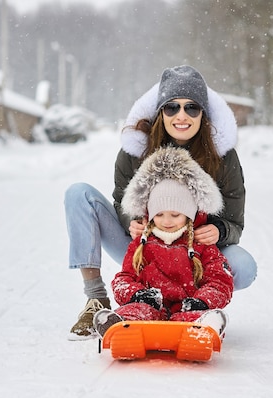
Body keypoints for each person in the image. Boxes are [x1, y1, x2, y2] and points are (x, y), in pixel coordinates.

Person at [64, 65, 256, 339]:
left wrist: (221, 230)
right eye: (171, 107)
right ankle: (97, 300)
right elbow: (121, 202)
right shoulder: (136, 150)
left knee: (245, 267)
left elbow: (235, 221)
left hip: (194, 253)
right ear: (159, 112)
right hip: (144, 250)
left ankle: (194, 303)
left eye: (192, 108)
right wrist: (131, 222)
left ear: (204, 113)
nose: (181, 116)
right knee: (78, 193)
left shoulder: (222, 157)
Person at [93, 146, 233, 339]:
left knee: (196, 318)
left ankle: (203, 331)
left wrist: (202, 301)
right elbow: (123, 278)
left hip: (187, 308)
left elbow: (220, 281)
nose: (167, 221)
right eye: (159, 214)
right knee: (136, 312)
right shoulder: (141, 245)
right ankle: (118, 329)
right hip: (150, 307)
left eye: (175, 215)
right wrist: (137, 294)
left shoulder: (202, 244)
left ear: (189, 214)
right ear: (149, 214)